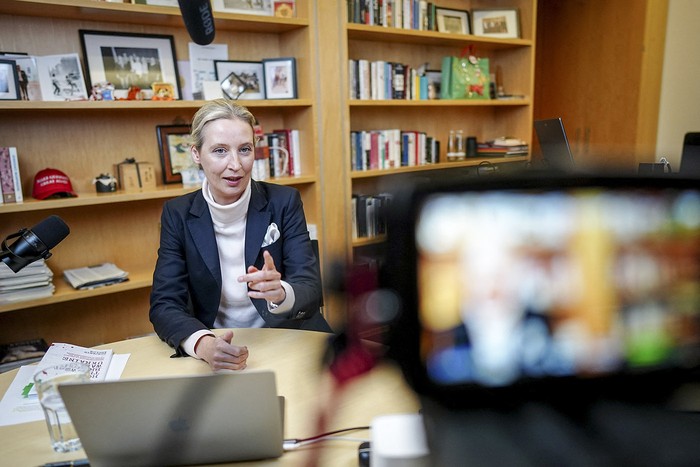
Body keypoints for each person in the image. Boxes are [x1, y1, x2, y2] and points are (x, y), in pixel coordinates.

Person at [150, 99, 332, 372]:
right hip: (219, 346)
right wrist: (204, 344)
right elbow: (164, 304)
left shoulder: (284, 201)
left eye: (244, 150)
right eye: (220, 151)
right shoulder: (177, 214)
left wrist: (281, 292)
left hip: (286, 338)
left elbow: (309, 286)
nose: (235, 165)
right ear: (197, 154)